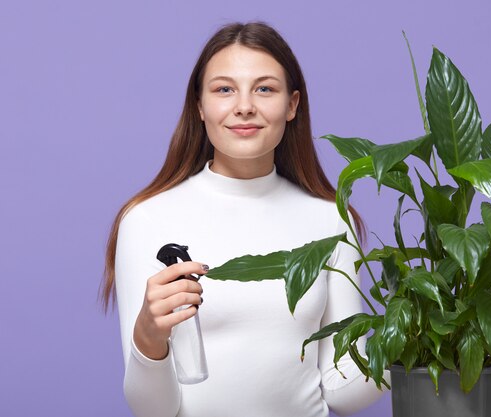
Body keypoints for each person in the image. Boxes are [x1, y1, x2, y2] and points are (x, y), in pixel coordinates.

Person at [100, 21, 386, 417]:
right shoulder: (147, 220)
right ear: (199, 106)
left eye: (265, 88)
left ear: (292, 104)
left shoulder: (333, 222)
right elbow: (153, 410)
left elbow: (342, 390)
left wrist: (402, 341)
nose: (244, 106)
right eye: (224, 89)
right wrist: (148, 339)